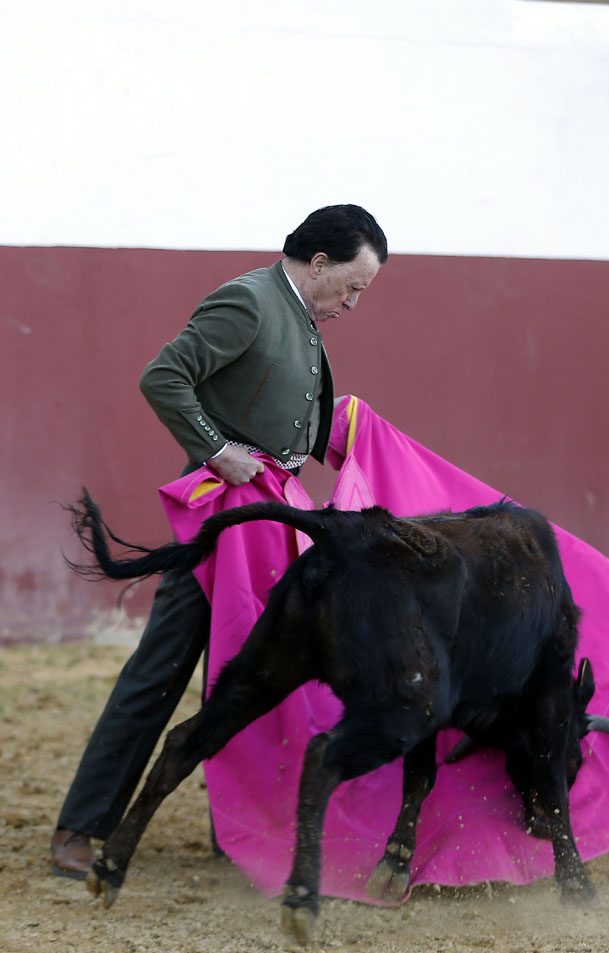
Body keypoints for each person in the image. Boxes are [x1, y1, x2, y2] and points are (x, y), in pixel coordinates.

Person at [51, 204, 388, 877]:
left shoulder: (299, 318)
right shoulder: (250, 301)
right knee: (162, 670)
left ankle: (235, 828)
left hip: (269, 518)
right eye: (351, 285)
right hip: (223, 515)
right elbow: (164, 375)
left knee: (252, 671)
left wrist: (358, 441)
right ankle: (80, 828)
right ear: (319, 262)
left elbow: (287, 416)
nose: (353, 301)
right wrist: (214, 450)